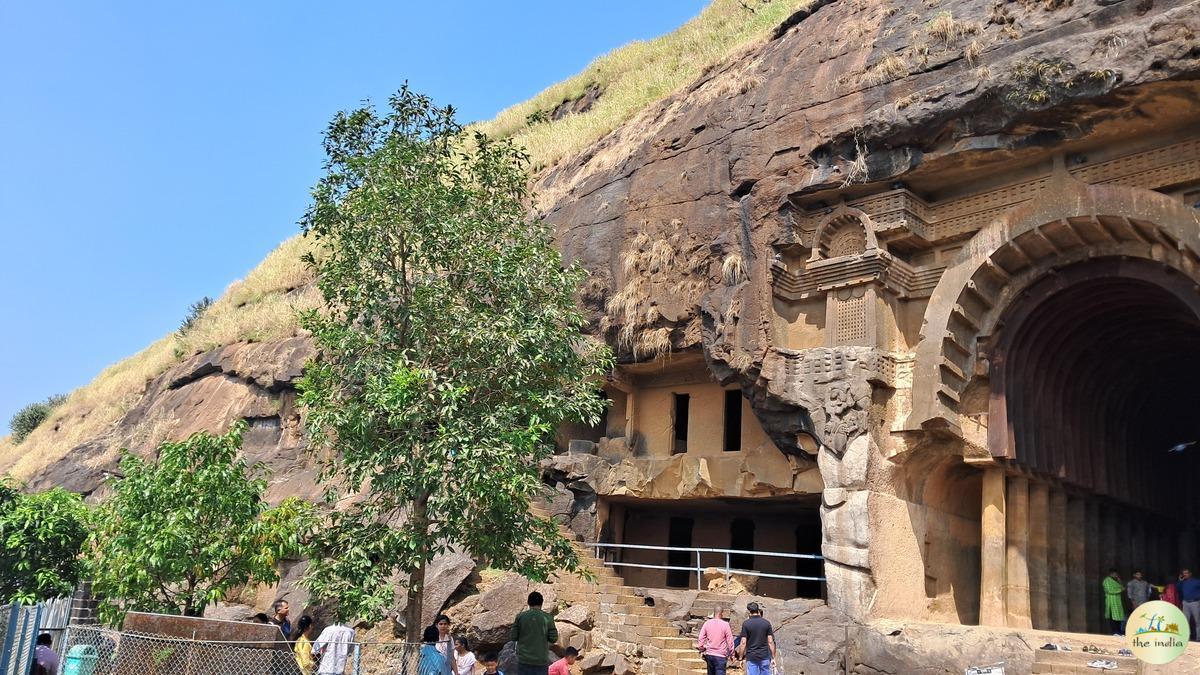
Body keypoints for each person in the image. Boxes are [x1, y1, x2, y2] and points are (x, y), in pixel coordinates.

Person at [510, 591, 558, 675]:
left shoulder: (520, 617)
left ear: (528, 603)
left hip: (524, 660)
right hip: (541, 660)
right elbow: (554, 638)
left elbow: (513, 636)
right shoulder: (548, 618)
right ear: (541, 603)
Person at [736, 602, 776, 675]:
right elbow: (770, 642)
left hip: (751, 657)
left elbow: (743, 642)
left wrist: (740, 658)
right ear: (758, 610)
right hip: (764, 656)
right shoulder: (766, 623)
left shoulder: (746, 624)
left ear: (749, 612)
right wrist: (773, 657)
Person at [696, 608, 734, 675]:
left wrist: (701, 648)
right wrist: (731, 654)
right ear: (721, 613)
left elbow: (701, 638)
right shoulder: (725, 624)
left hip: (710, 654)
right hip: (721, 655)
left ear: (714, 613)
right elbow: (730, 641)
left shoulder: (707, 623)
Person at [1102, 569, 1126, 635]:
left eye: (1117, 574)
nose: (1116, 575)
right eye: (1115, 574)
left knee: (1119, 617)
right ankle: (1115, 632)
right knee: (1113, 618)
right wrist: (1120, 590)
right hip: (1111, 601)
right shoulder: (1107, 581)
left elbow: (1123, 587)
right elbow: (1109, 590)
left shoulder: (1116, 580)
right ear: (1111, 574)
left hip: (1118, 601)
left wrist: (1119, 581)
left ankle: (1119, 632)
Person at [1178, 568, 1200, 641]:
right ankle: (1188, 638)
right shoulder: (1183, 582)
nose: (1185, 574)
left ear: (1190, 574)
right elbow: (1178, 589)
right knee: (1186, 621)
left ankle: (1198, 638)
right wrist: (1180, 581)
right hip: (1185, 603)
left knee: (1197, 621)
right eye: (1184, 573)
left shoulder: (1196, 581)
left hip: (1195, 602)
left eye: (1186, 573)